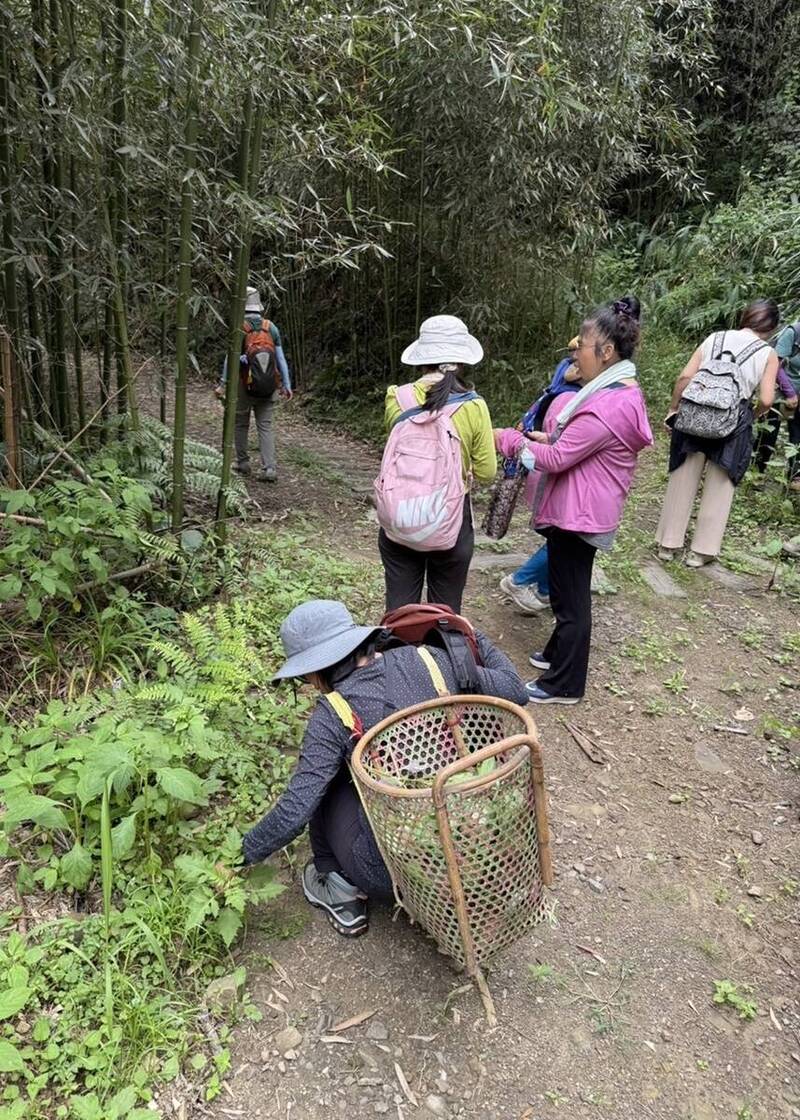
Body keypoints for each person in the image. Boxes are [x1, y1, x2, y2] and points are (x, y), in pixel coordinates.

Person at [241, 600, 529, 937]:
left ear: (315, 668)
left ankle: (339, 889)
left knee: (323, 779)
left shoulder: (333, 713)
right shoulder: (432, 660)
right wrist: (474, 637)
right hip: (476, 841)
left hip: (396, 875)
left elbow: (295, 811)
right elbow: (515, 691)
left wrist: (241, 854)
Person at [494, 296, 652, 704]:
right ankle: (555, 655)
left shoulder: (609, 404)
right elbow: (577, 445)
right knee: (564, 589)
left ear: (606, 351)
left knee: (572, 599)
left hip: (580, 513)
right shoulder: (612, 391)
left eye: (581, 343)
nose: (574, 350)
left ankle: (564, 684)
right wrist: (550, 437)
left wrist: (510, 440)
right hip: (583, 507)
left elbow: (558, 459)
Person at [378, 315, 495, 613]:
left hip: (400, 518)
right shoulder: (474, 406)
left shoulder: (397, 398)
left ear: (422, 358)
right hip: (451, 522)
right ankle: (442, 658)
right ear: (462, 360)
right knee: (444, 615)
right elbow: (486, 472)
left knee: (399, 611)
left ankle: (400, 658)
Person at [656, 299, 780, 566]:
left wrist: (674, 408)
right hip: (733, 420)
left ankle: (668, 545)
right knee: (720, 484)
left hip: (694, 413)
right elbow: (768, 400)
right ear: (771, 327)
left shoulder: (715, 337)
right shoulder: (767, 353)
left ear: (746, 317)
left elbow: (684, 377)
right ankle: (701, 552)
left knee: (683, 475)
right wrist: (751, 414)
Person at [498, 336, 582, 615]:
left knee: (560, 539)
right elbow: (562, 446)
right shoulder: (569, 399)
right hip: (552, 475)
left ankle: (543, 591)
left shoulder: (556, 393)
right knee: (564, 540)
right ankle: (520, 580)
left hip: (544, 472)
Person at [215, 287, 293, 482]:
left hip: (244, 385)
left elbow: (228, 359)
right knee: (265, 426)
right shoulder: (271, 327)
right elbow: (281, 359)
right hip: (269, 385)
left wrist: (223, 383)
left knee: (241, 423)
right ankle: (269, 469)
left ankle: (243, 463)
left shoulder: (240, 327)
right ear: (258, 306)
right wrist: (287, 384)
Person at [755, 316, 800, 487]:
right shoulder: (792, 333)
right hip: (778, 390)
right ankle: (758, 470)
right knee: (768, 434)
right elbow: (776, 365)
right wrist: (790, 393)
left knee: (798, 434)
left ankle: (796, 476)